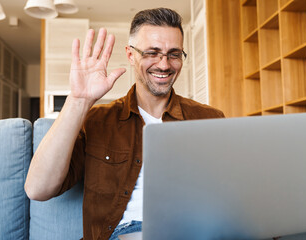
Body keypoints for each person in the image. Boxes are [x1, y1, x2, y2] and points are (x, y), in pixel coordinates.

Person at [25, 7, 224, 240]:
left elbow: (232, 194)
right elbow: (38, 189)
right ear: (131, 55)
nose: (164, 64)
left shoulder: (209, 119)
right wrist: (79, 100)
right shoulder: (98, 120)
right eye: (152, 52)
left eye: (174, 54)